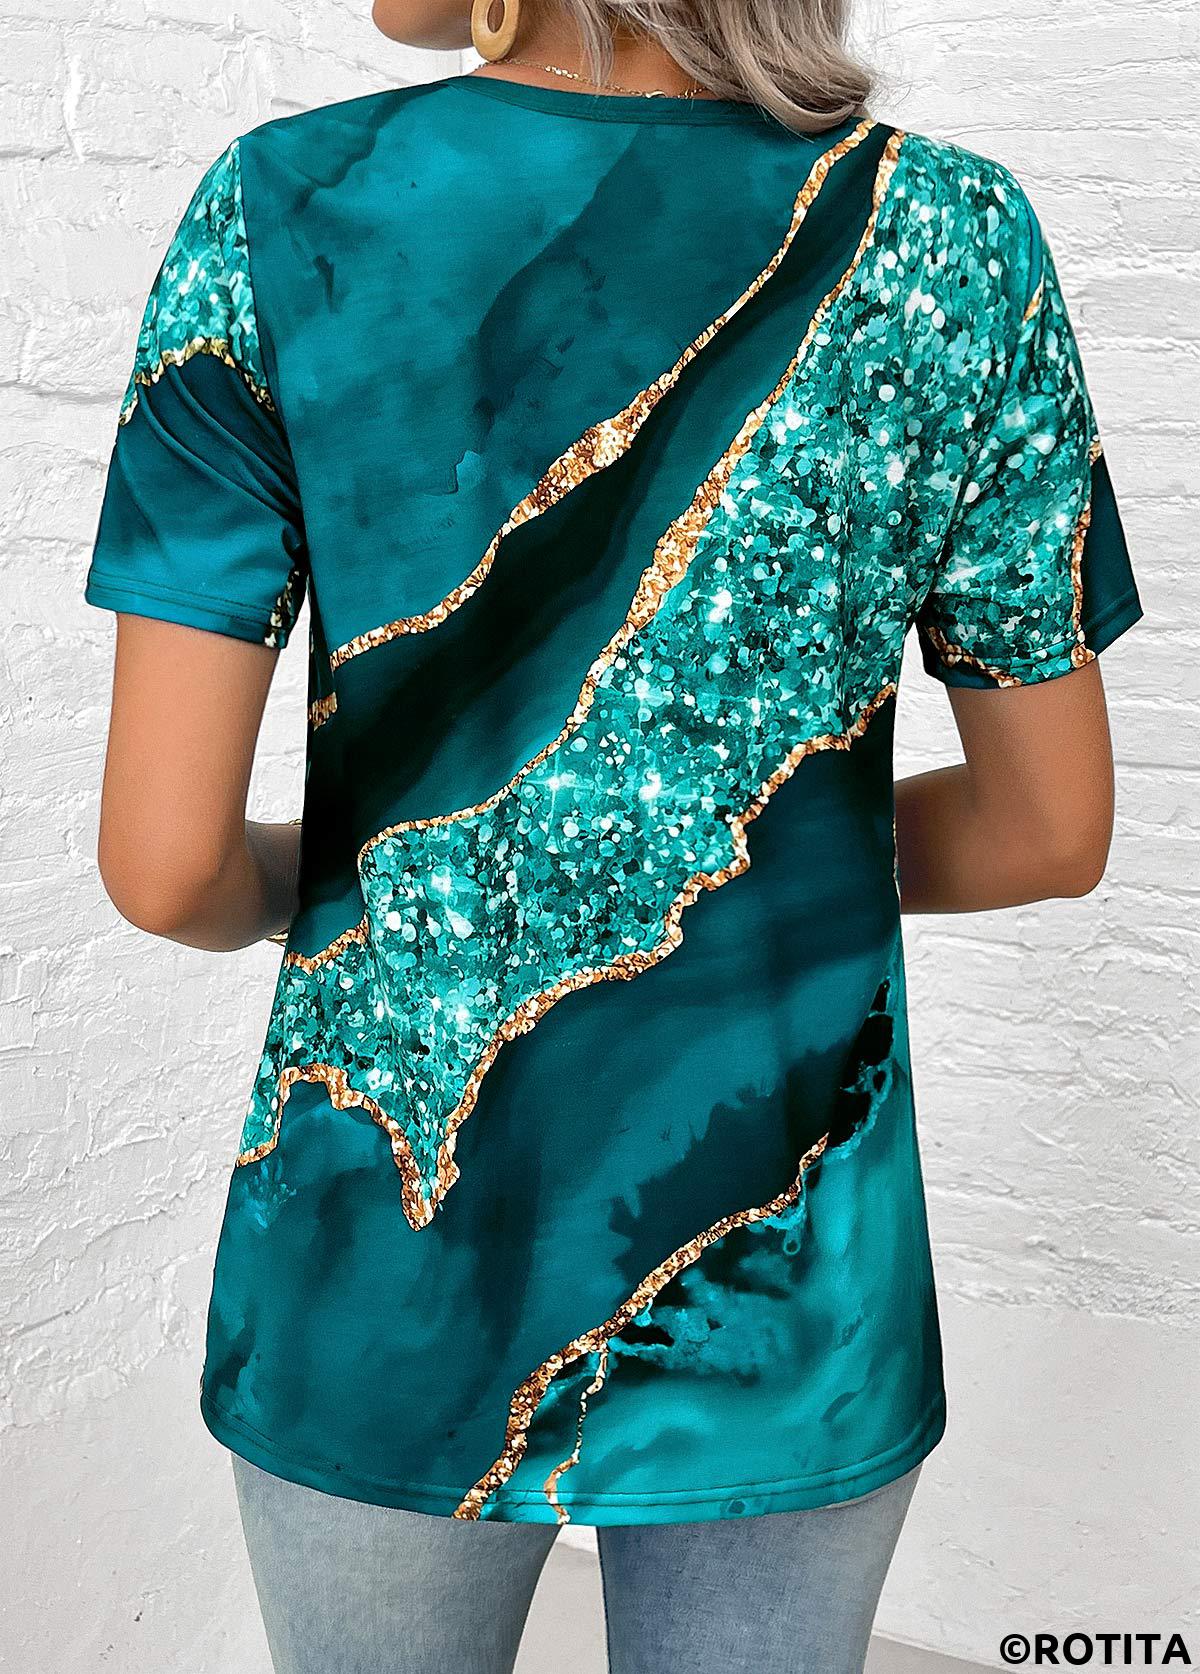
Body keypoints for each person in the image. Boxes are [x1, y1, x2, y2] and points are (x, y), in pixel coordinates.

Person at [84, 0, 1143, 1669]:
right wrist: (746, 859)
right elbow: (1047, 826)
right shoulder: (952, 233)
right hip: (792, 1282)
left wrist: (348, 881)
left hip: (379, 1262)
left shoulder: (285, 209)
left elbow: (164, 865)